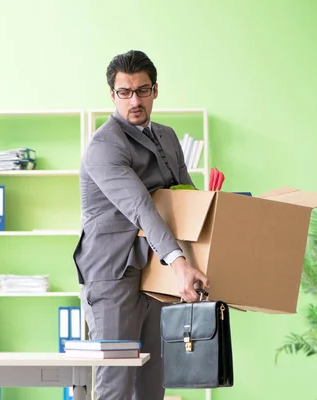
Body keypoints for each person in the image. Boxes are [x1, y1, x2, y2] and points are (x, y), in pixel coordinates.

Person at [72, 50, 210, 400]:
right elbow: (142, 207)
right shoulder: (103, 146)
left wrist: (216, 216)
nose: (135, 100)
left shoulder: (166, 137)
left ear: (155, 90)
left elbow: (184, 197)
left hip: (157, 270)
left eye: (142, 90)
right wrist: (179, 262)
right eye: (125, 92)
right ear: (113, 95)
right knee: (116, 383)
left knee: (152, 384)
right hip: (113, 271)